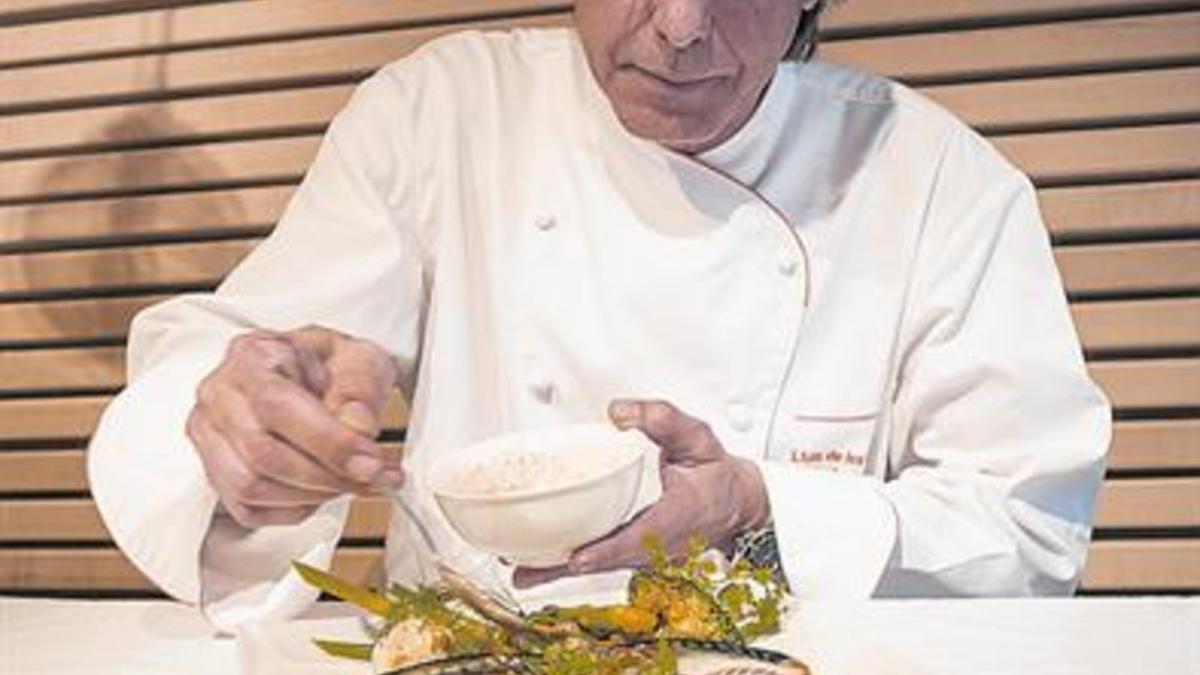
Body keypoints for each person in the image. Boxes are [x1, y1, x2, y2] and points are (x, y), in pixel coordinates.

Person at [88, 0, 1111, 630]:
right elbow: (239, 361)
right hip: (460, 656)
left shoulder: (940, 182)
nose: (678, 25)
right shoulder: (445, 110)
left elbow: (1022, 532)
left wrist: (755, 509)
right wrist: (251, 431)